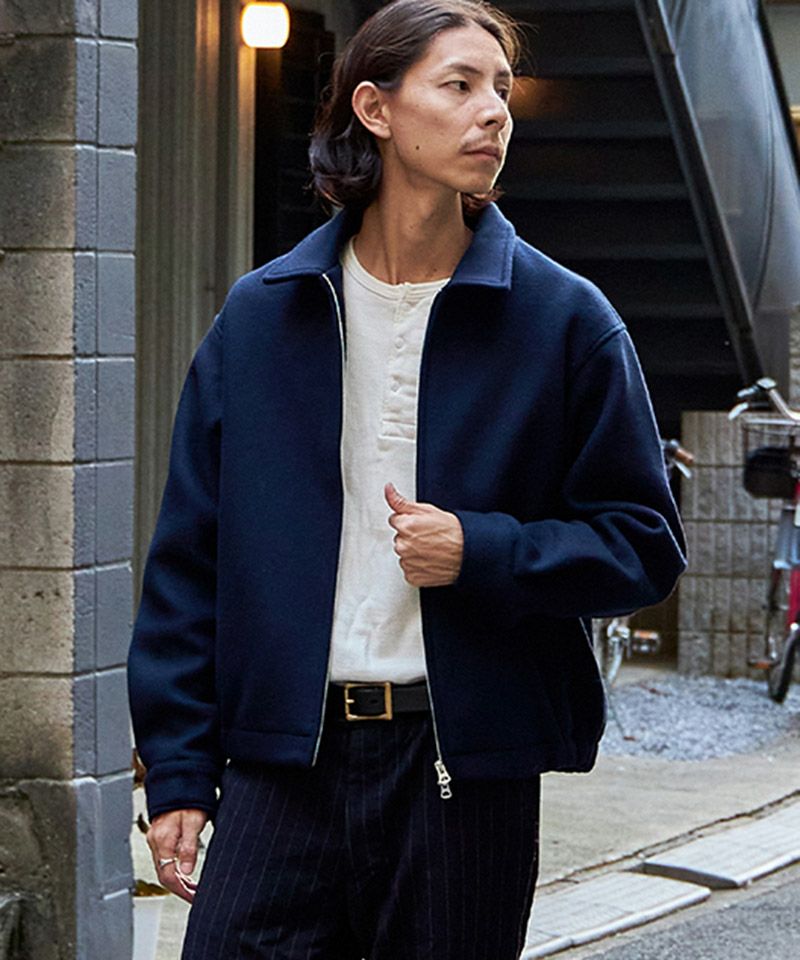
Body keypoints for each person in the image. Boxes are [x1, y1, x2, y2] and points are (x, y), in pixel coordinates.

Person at [128, 1, 687, 957]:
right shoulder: (266, 315)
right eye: (459, 85)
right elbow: (190, 557)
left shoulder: (564, 320)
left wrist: (482, 551)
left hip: (459, 770)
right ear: (376, 109)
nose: (493, 111)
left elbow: (643, 544)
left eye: (501, 89)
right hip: (281, 763)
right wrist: (180, 768)